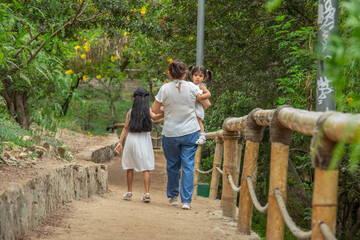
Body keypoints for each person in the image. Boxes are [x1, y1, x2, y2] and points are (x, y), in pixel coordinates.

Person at [151, 61, 203, 210]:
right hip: (190, 131)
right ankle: (186, 201)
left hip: (170, 133)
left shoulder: (164, 88)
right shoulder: (193, 87)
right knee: (188, 166)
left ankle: (173, 197)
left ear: (169, 74)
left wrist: (167, 108)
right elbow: (205, 103)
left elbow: (154, 109)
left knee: (172, 165)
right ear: (185, 73)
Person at [115, 87, 163, 203]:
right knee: (145, 167)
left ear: (134, 98)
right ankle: (147, 193)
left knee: (130, 166)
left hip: (131, 139)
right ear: (146, 99)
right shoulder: (148, 111)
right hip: (144, 140)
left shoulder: (131, 112)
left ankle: (129, 192)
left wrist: (120, 142)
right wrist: (164, 113)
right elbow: (155, 117)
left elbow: (126, 128)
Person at [187, 65, 212, 145]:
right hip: (193, 107)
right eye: (196, 75)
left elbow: (208, 94)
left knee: (198, 120)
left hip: (198, 107)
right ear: (192, 76)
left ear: (204, 78)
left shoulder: (201, 86)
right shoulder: (190, 85)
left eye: (200, 76)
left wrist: (201, 97)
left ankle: (202, 136)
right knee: (194, 121)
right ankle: (196, 135)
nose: (198, 77)